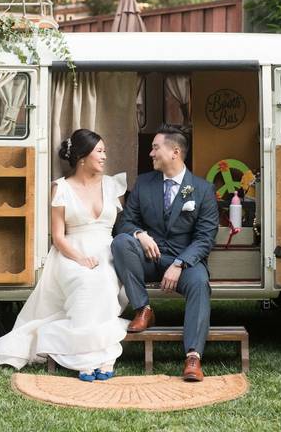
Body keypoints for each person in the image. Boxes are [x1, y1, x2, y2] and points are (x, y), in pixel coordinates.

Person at [0, 129, 129, 381]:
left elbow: (124, 224)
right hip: (70, 251)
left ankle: (104, 357)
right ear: (82, 157)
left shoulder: (113, 185)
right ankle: (88, 359)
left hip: (107, 249)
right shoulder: (61, 188)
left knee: (104, 280)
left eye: (104, 152)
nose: (104, 157)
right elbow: (58, 236)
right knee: (86, 282)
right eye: (99, 151)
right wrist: (79, 258)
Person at [111, 124, 219, 382]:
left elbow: (205, 238)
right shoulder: (144, 183)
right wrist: (140, 235)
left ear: (175, 152)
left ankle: (193, 357)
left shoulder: (202, 190)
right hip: (148, 259)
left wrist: (181, 263)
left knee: (200, 283)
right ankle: (143, 308)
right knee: (121, 242)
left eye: (155, 148)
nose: (151, 153)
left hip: (185, 262)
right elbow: (124, 222)